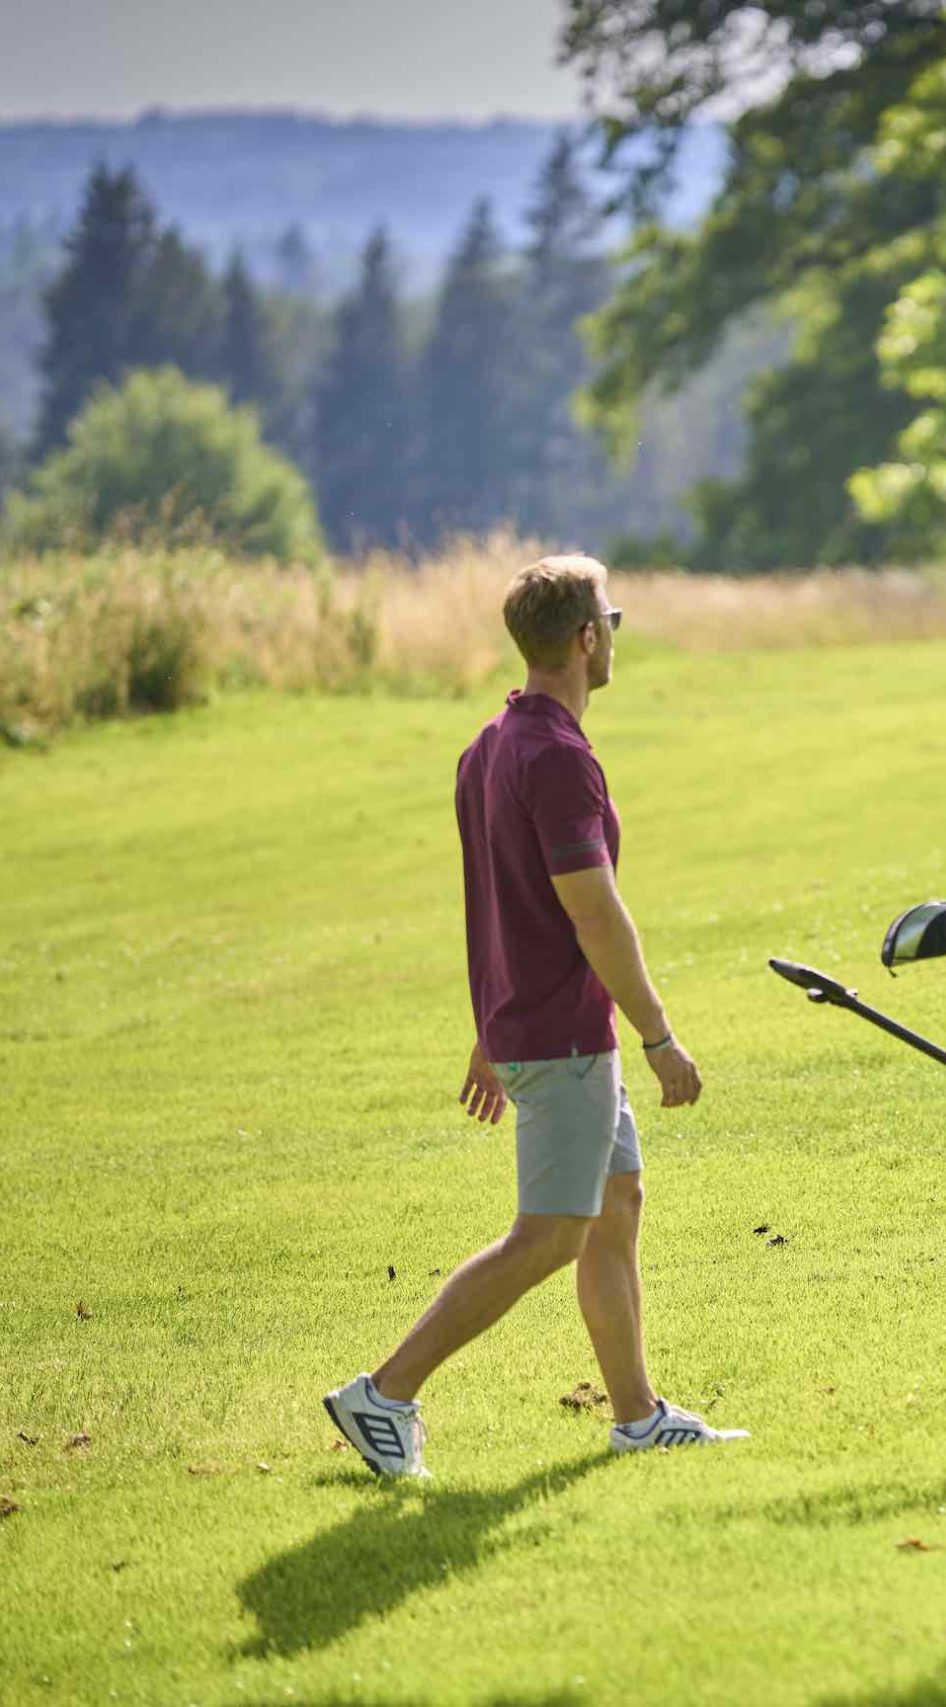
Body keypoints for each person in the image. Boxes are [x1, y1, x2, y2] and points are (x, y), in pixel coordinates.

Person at [324, 554, 745, 1477]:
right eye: (613, 621)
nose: (615, 635)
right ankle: (383, 1393)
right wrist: (662, 1036)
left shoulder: (494, 743)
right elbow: (591, 913)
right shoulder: (555, 758)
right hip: (563, 1040)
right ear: (587, 640)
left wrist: (491, 1029)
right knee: (549, 1232)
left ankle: (637, 1415)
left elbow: (500, 899)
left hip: (547, 1029)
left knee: (614, 1207)